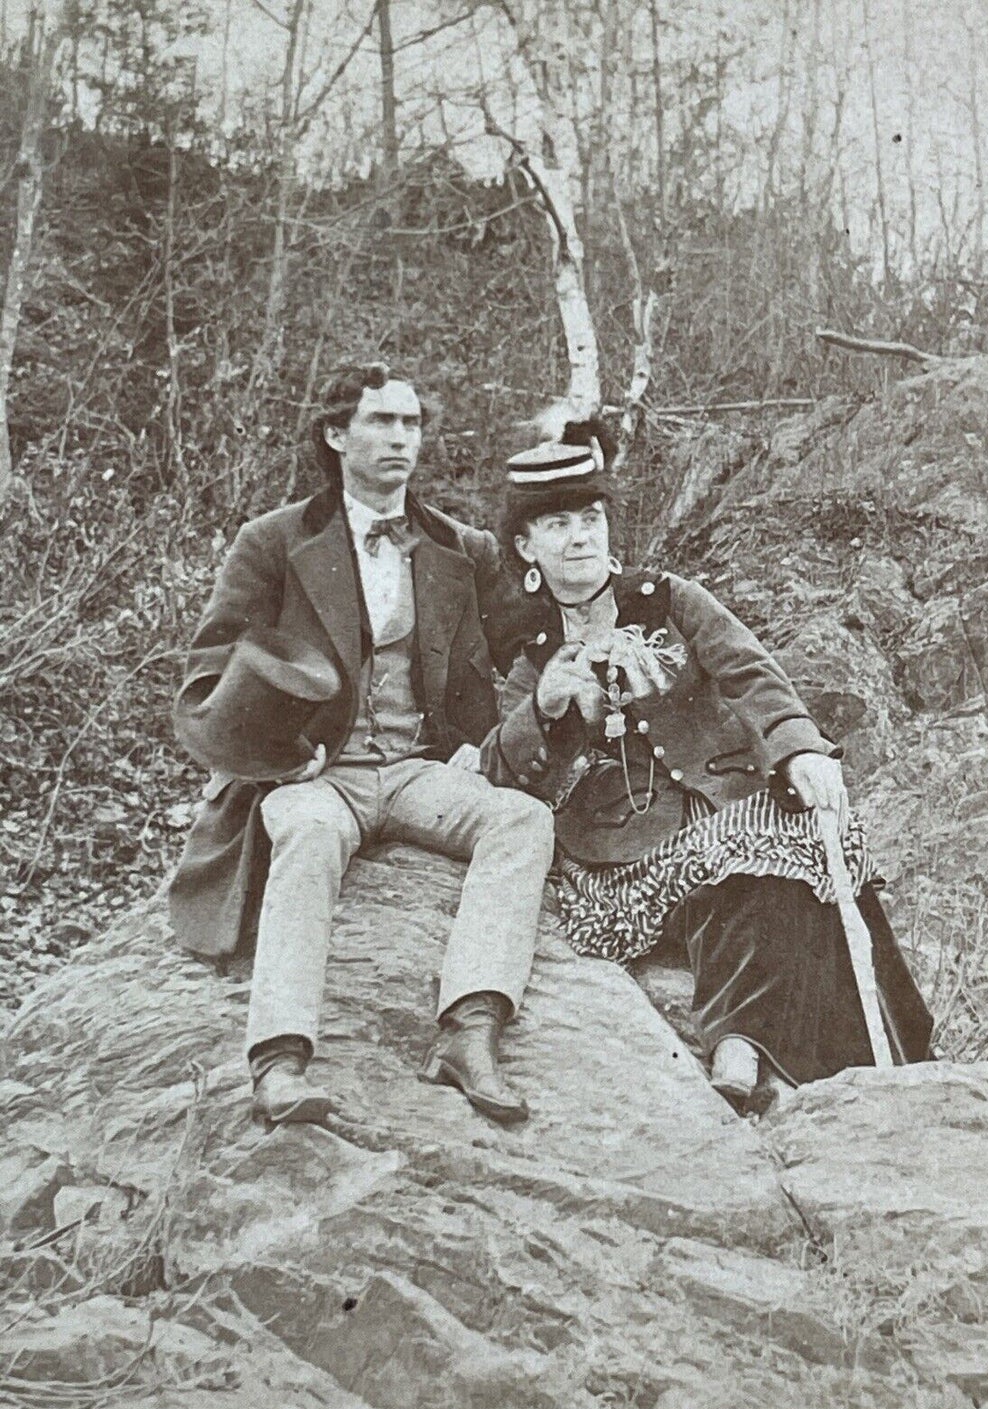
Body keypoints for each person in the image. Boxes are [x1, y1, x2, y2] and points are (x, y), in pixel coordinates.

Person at [483, 429, 933, 1108]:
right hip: (621, 850)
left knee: (805, 840)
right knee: (758, 851)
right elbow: (500, 775)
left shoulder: (669, 600)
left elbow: (752, 673)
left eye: (591, 518)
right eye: (557, 524)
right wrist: (542, 710)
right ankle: (744, 1046)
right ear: (526, 547)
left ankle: (764, 1051)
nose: (580, 537)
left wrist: (800, 746)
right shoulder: (531, 659)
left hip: (725, 800)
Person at [168, 363, 553, 1128]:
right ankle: (279, 1060)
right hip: (318, 776)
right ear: (336, 434)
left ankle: (469, 1028)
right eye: (382, 422)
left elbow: (533, 640)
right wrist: (280, 758)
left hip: (417, 768)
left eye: (412, 424)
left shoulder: (460, 546)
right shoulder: (273, 542)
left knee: (521, 820)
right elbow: (208, 674)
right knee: (305, 835)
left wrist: (509, 722)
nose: (401, 439)